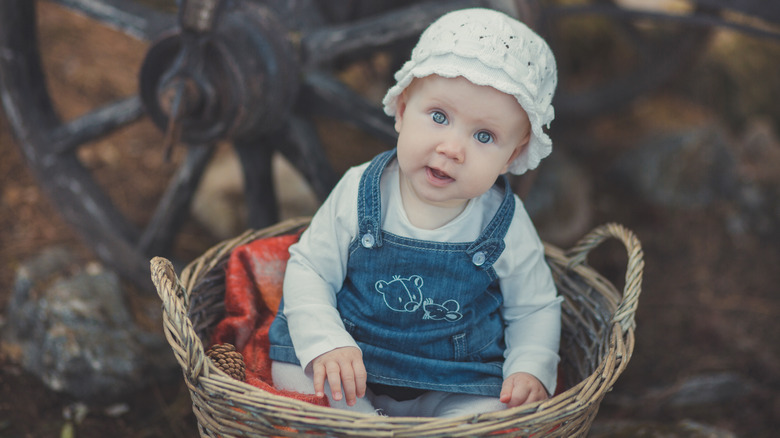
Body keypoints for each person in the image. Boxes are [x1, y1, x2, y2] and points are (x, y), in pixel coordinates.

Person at [267, 7, 561, 417]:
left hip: (455, 376)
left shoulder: (505, 222)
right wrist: (326, 342)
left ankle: (429, 424)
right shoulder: (360, 188)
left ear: (512, 155)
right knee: (294, 367)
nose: (452, 149)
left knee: (499, 408)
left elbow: (534, 306)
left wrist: (531, 367)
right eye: (439, 117)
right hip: (352, 364)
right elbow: (310, 269)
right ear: (403, 110)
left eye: (484, 136)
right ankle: (365, 421)